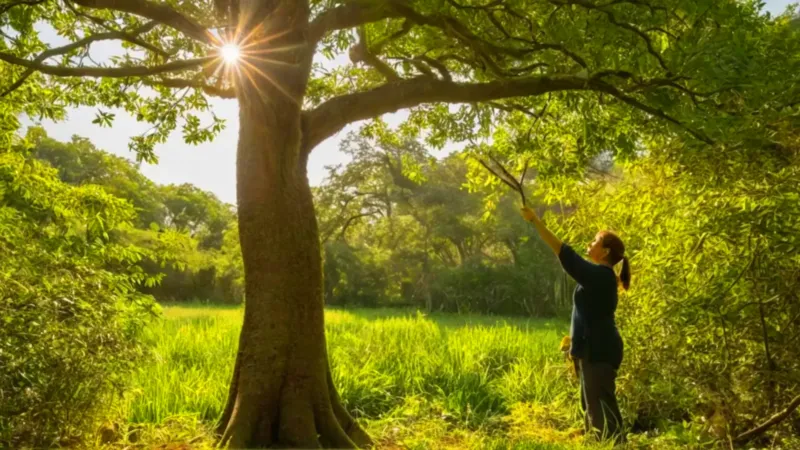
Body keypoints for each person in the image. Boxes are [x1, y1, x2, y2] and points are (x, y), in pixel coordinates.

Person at [520, 205, 629, 441]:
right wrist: (574, 347)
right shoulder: (599, 275)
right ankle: (598, 442)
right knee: (591, 404)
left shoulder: (600, 276)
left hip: (599, 350)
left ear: (605, 252)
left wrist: (536, 221)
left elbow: (564, 252)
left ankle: (613, 444)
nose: (590, 243)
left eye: (595, 241)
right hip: (591, 349)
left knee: (601, 407)